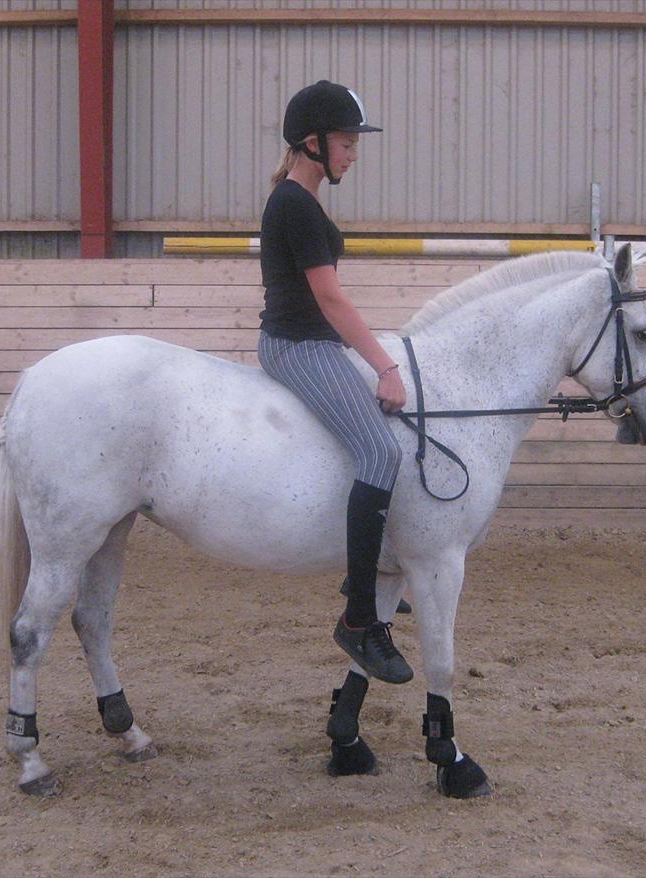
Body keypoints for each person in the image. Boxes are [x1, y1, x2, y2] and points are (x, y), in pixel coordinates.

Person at [257, 80, 413, 685]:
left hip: (312, 340)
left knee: (383, 434)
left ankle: (362, 570)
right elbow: (330, 298)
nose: (353, 154)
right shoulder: (295, 204)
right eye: (347, 143)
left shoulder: (302, 200)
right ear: (313, 144)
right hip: (298, 344)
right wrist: (385, 365)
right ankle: (356, 622)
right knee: (380, 449)